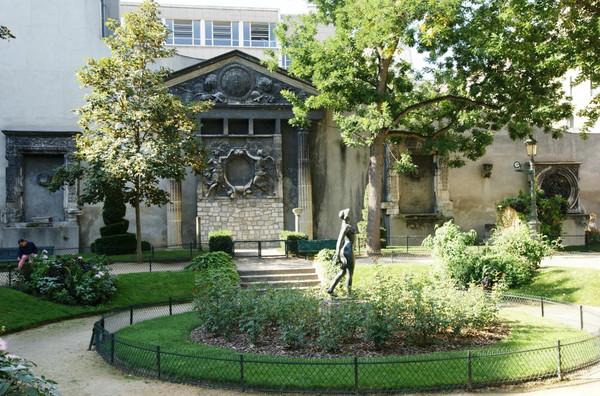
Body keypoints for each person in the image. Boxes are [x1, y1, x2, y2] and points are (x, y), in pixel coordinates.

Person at [327, 208, 356, 296]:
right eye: (349, 213)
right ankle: (349, 294)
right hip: (348, 250)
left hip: (346, 250)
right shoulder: (346, 226)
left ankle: (330, 289)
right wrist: (337, 254)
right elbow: (339, 240)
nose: (351, 215)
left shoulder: (344, 225)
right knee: (349, 273)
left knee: (342, 272)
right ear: (347, 215)